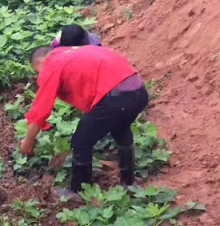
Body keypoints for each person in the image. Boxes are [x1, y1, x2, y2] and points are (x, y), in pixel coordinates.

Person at [21, 45, 149, 194]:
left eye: (38, 72)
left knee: (81, 140)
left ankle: (79, 191)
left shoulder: (51, 65)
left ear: (40, 61)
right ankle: (128, 181)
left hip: (116, 98)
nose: (40, 76)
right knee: (120, 128)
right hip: (139, 93)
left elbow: (40, 110)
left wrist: (28, 142)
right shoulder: (73, 52)